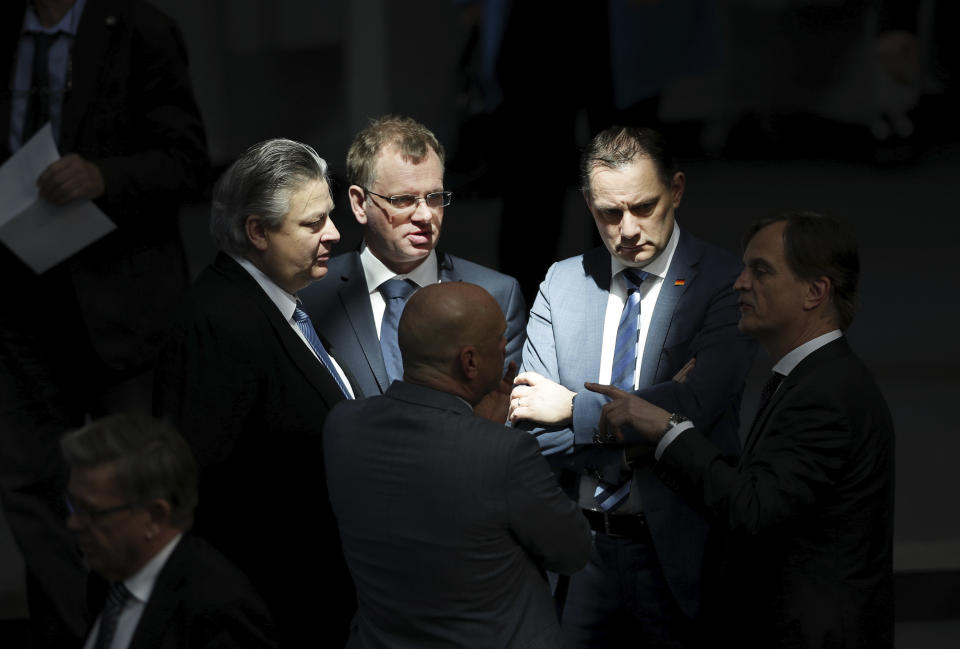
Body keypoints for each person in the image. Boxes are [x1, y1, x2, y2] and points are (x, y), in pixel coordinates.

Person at [585, 211, 894, 648]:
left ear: (815, 292)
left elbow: (751, 510)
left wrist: (668, 427)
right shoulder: (809, 379)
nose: (739, 283)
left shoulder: (825, 392)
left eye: (761, 271)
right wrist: (660, 441)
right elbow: (758, 492)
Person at [0, 1, 208, 644]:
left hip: (124, 304)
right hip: (20, 301)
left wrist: (103, 177)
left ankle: (147, 636)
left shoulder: (137, 27)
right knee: (30, 487)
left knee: (140, 487)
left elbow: (187, 160)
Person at [508, 126, 756, 647]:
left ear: (678, 190)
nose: (627, 230)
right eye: (609, 213)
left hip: (679, 550)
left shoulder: (723, 283)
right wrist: (652, 423)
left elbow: (697, 406)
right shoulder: (562, 282)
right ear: (587, 204)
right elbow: (530, 428)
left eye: (644, 207)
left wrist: (571, 408)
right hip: (581, 554)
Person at [153, 138, 356, 646]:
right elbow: (210, 489)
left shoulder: (276, 304)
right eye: (313, 224)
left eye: (329, 216)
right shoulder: (219, 321)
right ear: (256, 231)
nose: (333, 233)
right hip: (269, 614)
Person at [323, 282, 591, 649]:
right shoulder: (506, 452)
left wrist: (479, 429)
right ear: (469, 362)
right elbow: (572, 551)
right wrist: (489, 434)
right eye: (500, 342)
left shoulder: (342, 424)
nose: (506, 352)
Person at [299, 115, 526, 399]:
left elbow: (501, 417)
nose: (424, 215)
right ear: (359, 203)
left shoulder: (496, 294)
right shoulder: (310, 293)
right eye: (403, 200)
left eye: (434, 197)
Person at [62, 413, 277, 649]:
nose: (73, 523)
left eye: (91, 512)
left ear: (155, 517)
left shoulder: (216, 608)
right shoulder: (106, 581)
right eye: (73, 505)